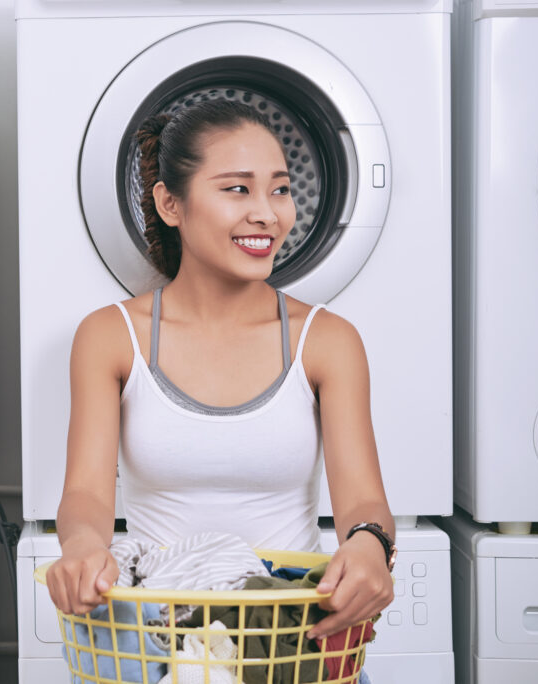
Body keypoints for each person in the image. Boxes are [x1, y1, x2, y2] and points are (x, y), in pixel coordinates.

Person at [46, 99, 395, 645]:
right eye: (238, 189)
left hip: (286, 641)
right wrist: (84, 546)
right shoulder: (111, 336)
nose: (268, 213)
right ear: (170, 203)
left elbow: (364, 503)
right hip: (155, 630)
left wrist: (369, 545)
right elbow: (86, 494)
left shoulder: (327, 341)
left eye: (280, 189)